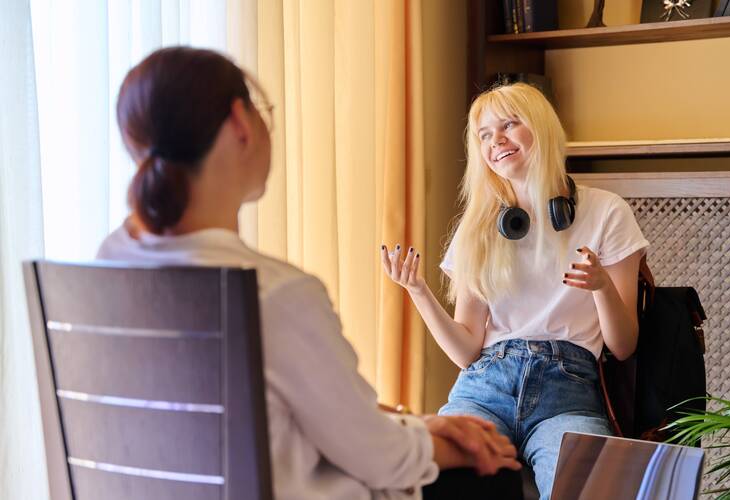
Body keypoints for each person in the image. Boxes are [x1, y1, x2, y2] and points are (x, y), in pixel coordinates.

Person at [97, 47, 524, 500]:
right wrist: (466, 447)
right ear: (241, 123)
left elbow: (320, 415)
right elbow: (381, 456)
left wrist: (419, 422)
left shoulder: (111, 259)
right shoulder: (275, 294)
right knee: (494, 473)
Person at [381, 82, 649, 499]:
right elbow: (467, 351)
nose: (496, 141)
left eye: (509, 124)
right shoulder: (479, 227)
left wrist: (601, 287)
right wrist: (418, 291)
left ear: (541, 128)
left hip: (570, 393)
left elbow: (624, 344)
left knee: (592, 490)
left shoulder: (607, 211)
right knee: (427, 477)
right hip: (484, 387)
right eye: (484, 134)